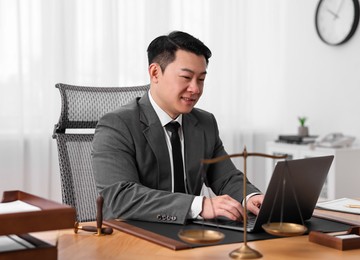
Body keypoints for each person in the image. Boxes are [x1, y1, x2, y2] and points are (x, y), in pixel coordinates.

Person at [92, 31, 264, 225]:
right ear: (155, 73)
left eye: (201, 79)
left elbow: (225, 177)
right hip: (135, 236)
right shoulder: (117, 125)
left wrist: (251, 197)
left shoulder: (205, 123)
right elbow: (120, 198)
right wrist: (199, 205)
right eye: (186, 77)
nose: (196, 89)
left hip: (190, 238)